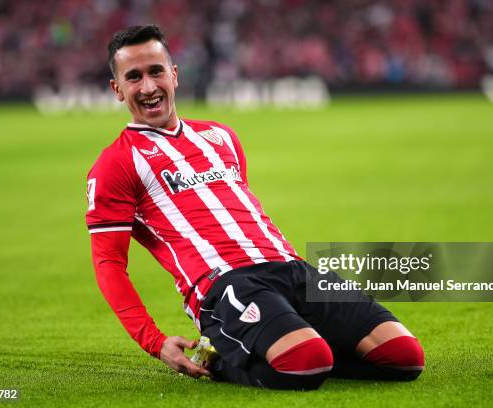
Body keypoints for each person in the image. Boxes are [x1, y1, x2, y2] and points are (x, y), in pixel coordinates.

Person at [86, 24, 424, 390]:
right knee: (308, 363)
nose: (149, 87)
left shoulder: (221, 136)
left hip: (293, 269)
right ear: (117, 89)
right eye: (134, 78)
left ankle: (300, 344)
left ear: (174, 74)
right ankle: (219, 359)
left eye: (156, 71)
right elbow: (109, 264)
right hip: (227, 284)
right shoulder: (115, 164)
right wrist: (154, 342)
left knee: (404, 356)